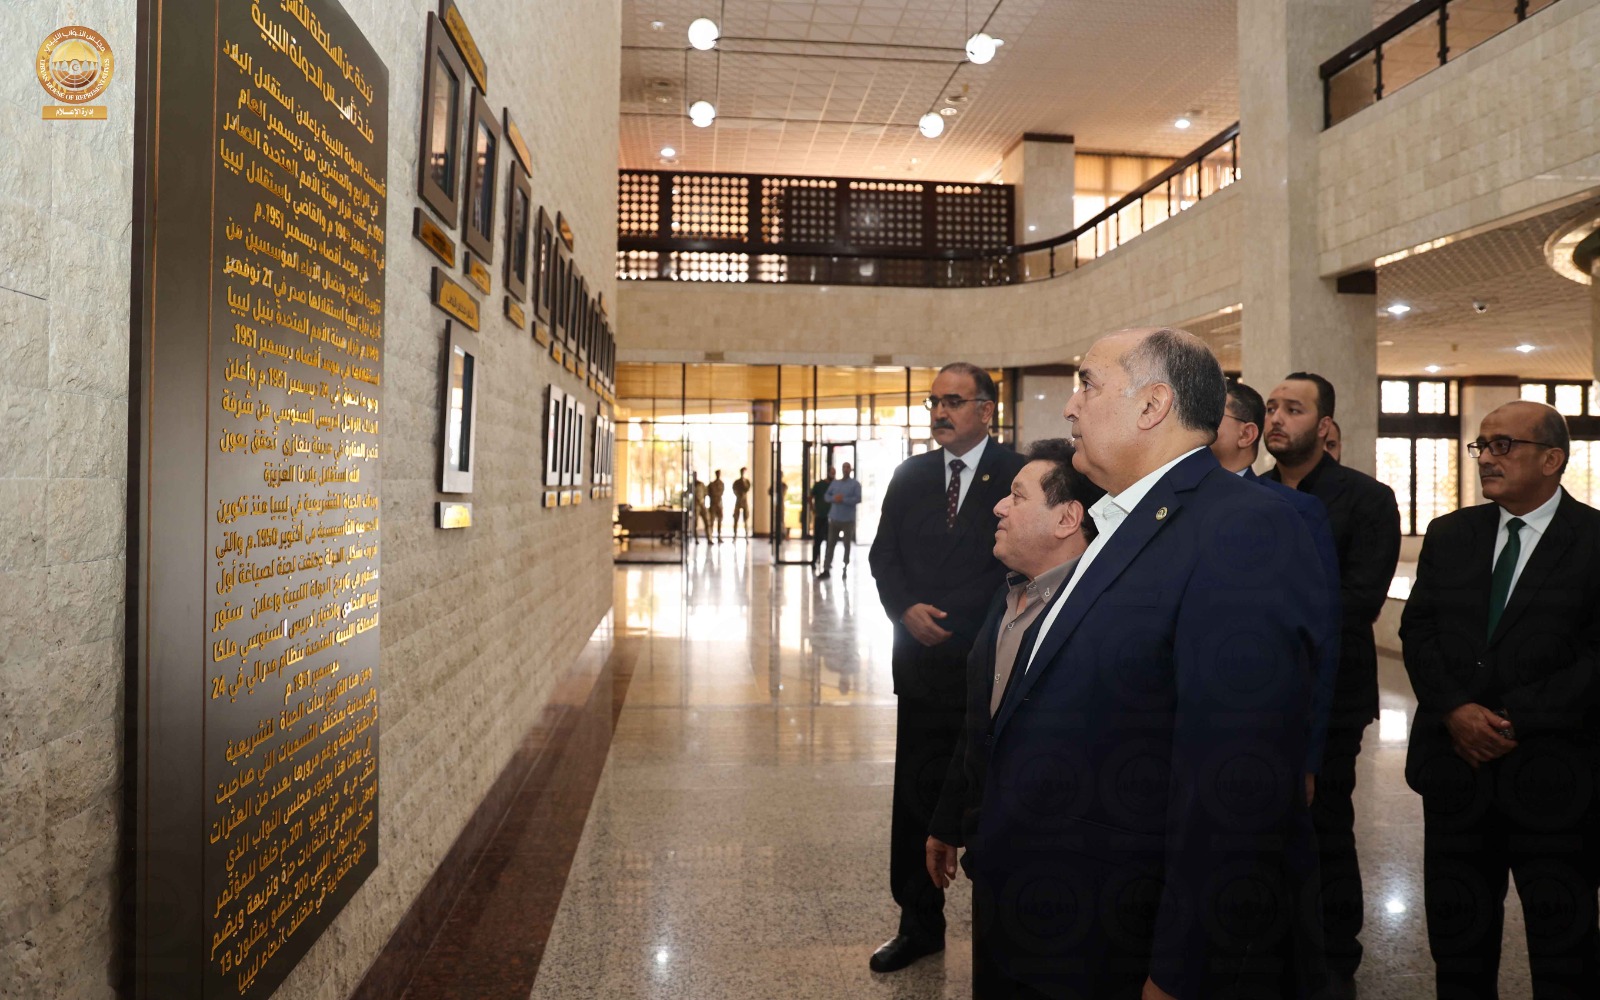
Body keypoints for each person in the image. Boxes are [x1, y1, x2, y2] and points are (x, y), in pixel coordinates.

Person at [977, 329, 1325, 999]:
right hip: (1055, 911)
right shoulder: (1121, 521)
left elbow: (1236, 778)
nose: (1070, 406)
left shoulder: (1242, 527)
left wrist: (1183, 970)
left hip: (1123, 932)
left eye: (1087, 384)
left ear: (1152, 405)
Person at [1400, 400, 1600, 998]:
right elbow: (1419, 631)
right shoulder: (1450, 535)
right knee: (1459, 945)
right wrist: (1455, 710)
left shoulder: (1594, 540)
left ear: (1552, 459)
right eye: (1482, 446)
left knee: (1564, 949)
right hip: (1456, 776)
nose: (1487, 457)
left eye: (1503, 445)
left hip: (1556, 781)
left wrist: (1515, 720)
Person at [925, 438, 1104, 999]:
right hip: (992, 858)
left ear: (1067, 518)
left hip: (1059, 876)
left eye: (1017, 496)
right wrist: (949, 821)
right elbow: (978, 726)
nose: (999, 507)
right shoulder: (1006, 600)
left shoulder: (1098, 615)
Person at [866, 362, 1025, 973]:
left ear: (986, 410)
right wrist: (904, 608)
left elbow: (1026, 563)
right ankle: (918, 924)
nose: (939, 411)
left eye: (953, 401)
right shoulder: (909, 475)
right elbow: (883, 555)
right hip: (922, 666)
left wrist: (963, 620)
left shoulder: (1017, 475)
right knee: (917, 796)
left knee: (992, 800)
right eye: (933, 401)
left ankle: (1005, 932)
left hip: (992, 665)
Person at [1263, 372, 1401, 993]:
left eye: (1293, 409)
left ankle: (1337, 956)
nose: (1276, 419)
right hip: (1256, 692)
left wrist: (1264, 615)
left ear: (1323, 426)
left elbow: (1359, 600)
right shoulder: (1252, 495)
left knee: (1324, 827)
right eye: (1271, 407)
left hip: (1335, 693)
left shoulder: (1366, 498)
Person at [1211, 378, 1343, 998]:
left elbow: (1320, 640)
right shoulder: (1167, 506)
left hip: (1265, 734)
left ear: (1245, 434)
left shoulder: (1293, 511)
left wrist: (1308, 756)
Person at [819, 463, 861, 579]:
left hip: (848, 520)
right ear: (842, 469)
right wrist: (834, 498)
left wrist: (844, 499)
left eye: (848, 467)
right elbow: (826, 496)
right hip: (834, 519)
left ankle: (845, 567)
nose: (846, 469)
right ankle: (826, 568)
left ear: (851, 470)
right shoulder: (835, 483)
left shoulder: (855, 484)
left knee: (847, 544)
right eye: (844, 467)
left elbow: (858, 498)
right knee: (830, 544)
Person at [810, 467, 835, 566]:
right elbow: (810, 497)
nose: (832, 475)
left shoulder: (835, 485)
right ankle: (814, 560)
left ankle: (827, 562)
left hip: (831, 517)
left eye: (834, 473)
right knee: (817, 540)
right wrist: (813, 509)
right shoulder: (819, 485)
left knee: (830, 541)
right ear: (828, 473)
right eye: (831, 473)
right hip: (820, 516)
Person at [731, 467, 751, 536]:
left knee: (746, 518)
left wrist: (744, 482)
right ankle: (735, 534)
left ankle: (746, 534)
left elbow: (747, 488)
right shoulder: (737, 482)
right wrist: (738, 495)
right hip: (738, 500)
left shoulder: (747, 481)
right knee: (736, 518)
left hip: (744, 501)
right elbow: (734, 489)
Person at [687, 472, 707, 542]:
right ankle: (696, 538)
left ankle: (709, 538)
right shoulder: (691, 485)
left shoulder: (701, 484)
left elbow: (705, 493)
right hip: (695, 505)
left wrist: (703, 500)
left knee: (707, 521)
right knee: (695, 522)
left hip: (702, 504)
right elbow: (688, 494)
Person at [707, 470, 726, 542]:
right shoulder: (711, 484)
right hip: (713, 504)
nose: (718, 475)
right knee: (711, 521)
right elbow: (708, 493)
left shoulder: (721, 484)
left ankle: (719, 536)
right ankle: (710, 537)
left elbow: (722, 492)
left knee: (720, 521)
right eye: (717, 474)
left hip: (719, 504)